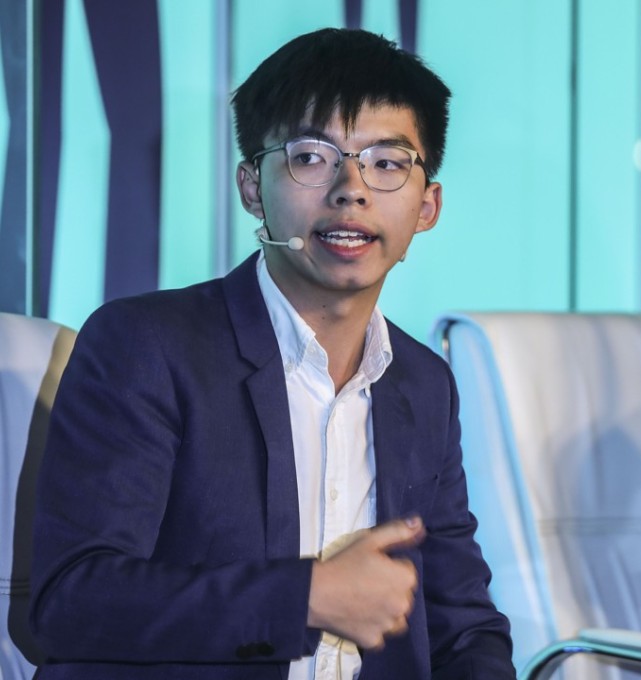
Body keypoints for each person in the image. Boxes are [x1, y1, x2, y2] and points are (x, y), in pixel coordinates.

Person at [29, 28, 515, 679]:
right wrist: (309, 597)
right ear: (253, 187)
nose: (352, 189)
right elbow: (74, 602)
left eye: (387, 161)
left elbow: (464, 625)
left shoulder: (424, 384)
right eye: (312, 158)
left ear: (427, 205)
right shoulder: (144, 346)